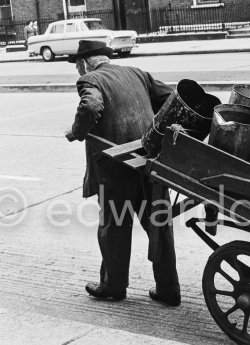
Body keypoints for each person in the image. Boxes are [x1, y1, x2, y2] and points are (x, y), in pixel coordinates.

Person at [64, 40, 181, 306]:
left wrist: (77, 131)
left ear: (84, 63)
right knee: (158, 225)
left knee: (114, 226)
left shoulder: (89, 80)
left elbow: (91, 106)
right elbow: (172, 98)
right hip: (149, 160)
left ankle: (113, 286)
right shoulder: (136, 73)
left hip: (116, 167)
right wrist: (155, 128)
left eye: (78, 65)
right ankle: (168, 289)